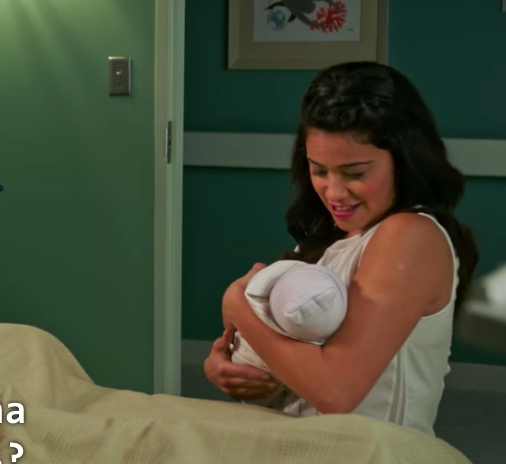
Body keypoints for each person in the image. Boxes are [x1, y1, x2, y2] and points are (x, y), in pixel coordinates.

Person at [203, 62, 478, 435]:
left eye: (355, 173)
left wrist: (236, 301)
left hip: (369, 457)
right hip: (295, 444)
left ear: (405, 160)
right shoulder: (330, 236)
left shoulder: (411, 235)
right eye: (319, 170)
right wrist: (225, 367)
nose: (333, 192)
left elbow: (335, 392)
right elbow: (295, 357)